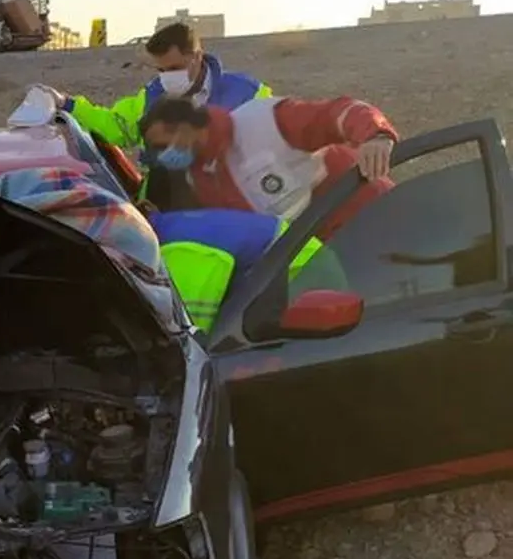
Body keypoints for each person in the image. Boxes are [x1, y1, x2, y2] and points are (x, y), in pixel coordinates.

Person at [47, 22, 273, 208]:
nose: (167, 77)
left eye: (175, 68)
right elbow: (116, 126)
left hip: (230, 208)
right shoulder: (153, 95)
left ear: (197, 56)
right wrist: (67, 104)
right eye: (161, 70)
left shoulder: (247, 93)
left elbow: (276, 147)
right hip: (162, 206)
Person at [137, 94, 398, 240]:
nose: (163, 156)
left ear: (184, 127)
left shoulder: (266, 121)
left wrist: (375, 135)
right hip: (324, 254)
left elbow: (336, 112)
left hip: (376, 221)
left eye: (163, 146)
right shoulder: (200, 176)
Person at [145, 206, 334, 332]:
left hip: (306, 270)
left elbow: (189, 334)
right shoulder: (169, 227)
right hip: (295, 257)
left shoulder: (182, 253)